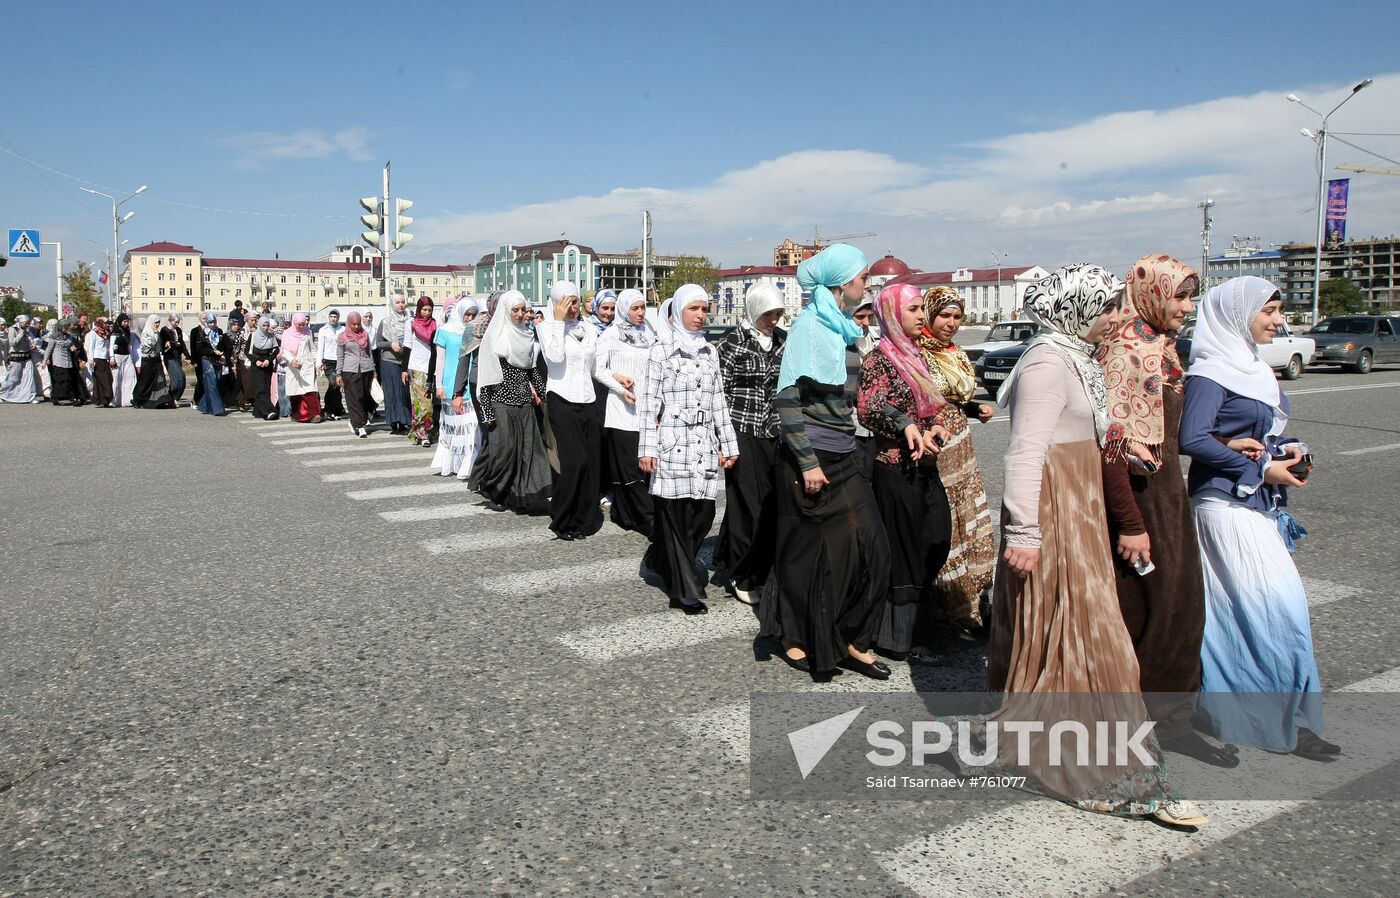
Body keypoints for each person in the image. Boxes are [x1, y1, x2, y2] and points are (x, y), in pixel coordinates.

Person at [986, 263, 1205, 828]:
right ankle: (1111, 769)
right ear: (1075, 308)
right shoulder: (1044, 362)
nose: (1115, 317)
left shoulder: (1074, 356)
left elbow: (1096, 441)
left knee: (1073, 635)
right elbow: (1024, 455)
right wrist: (1024, 534)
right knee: (1090, 636)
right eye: (1106, 308)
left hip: (1079, 511)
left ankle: (1050, 745)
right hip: (1055, 515)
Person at [1180, 276, 1339, 762]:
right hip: (1225, 507)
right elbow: (1193, 438)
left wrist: (1287, 451)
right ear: (1236, 313)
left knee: (1259, 615)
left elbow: (1249, 432)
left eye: (1279, 310)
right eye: (1268, 310)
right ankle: (1278, 719)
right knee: (1275, 612)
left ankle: (1285, 719)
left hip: (1255, 506)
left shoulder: (1252, 367)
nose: (1278, 320)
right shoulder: (1211, 371)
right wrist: (1260, 467)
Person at [1097, 255, 1237, 767]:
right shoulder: (1121, 352)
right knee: (1141, 608)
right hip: (1136, 499)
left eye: (1189, 295)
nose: (1187, 306)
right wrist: (1131, 522)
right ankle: (1134, 726)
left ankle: (1171, 719)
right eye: (1178, 295)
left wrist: (1226, 442)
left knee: (1180, 605)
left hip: (1167, 494)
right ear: (1151, 293)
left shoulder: (1162, 347)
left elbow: (1168, 433)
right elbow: (1111, 445)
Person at [761, 244, 892, 680]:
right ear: (840, 285)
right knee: (804, 554)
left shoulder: (843, 329)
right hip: (809, 459)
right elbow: (786, 398)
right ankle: (793, 636)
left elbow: (859, 399)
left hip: (844, 451)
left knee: (872, 548)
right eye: (862, 279)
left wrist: (904, 420)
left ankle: (853, 638)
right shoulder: (809, 329)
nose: (867, 286)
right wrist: (807, 462)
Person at [857, 283, 954, 662]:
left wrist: (936, 428)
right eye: (912, 309)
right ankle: (904, 638)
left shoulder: (917, 355)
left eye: (920, 309)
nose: (919, 315)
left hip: (924, 466)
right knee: (906, 551)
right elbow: (869, 406)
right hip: (894, 469)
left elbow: (934, 405)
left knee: (935, 538)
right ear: (894, 314)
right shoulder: (878, 359)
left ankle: (918, 629)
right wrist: (904, 425)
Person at [638, 285, 739, 614]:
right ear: (678, 311)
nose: (700, 315)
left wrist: (729, 444)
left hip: (703, 444)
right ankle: (683, 589)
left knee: (703, 513)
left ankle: (662, 559)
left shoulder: (710, 352)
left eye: (704, 308)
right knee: (674, 516)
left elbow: (719, 402)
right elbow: (650, 404)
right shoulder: (661, 350)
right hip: (672, 442)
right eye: (693, 308)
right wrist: (646, 448)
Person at [917, 287, 997, 637]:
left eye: (956, 316)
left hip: (961, 444)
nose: (950, 323)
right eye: (944, 316)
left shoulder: (955, 351)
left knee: (969, 522)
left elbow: (955, 395)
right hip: (935, 443)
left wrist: (972, 408)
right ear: (930, 315)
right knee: (946, 523)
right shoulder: (917, 352)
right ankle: (947, 609)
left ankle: (973, 604)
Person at [715, 284, 787, 605]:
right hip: (740, 428)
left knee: (771, 500)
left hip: (774, 430)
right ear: (754, 310)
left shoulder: (783, 341)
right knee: (750, 503)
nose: (773, 320)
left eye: (777, 314)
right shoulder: (731, 342)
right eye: (767, 314)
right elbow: (717, 390)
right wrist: (718, 437)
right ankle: (740, 573)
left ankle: (745, 560)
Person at [471, 291, 550, 514]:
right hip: (500, 402)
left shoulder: (526, 337)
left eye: (522, 310)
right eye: (515, 310)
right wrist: (486, 410)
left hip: (524, 402)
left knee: (527, 451)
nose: (519, 314)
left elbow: (533, 372)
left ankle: (520, 494)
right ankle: (494, 490)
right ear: (506, 311)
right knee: (503, 452)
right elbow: (487, 377)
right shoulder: (496, 337)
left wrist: (546, 397)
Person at [538, 280, 602, 540]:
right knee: (574, 462)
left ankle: (583, 519)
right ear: (556, 303)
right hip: (561, 400)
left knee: (591, 465)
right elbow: (554, 358)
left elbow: (595, 368)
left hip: (587, 400)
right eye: (567, 302)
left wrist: (620, 383)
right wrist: (557, 320)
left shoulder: (589, 329)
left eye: (575, 301)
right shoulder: (545, 328)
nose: (573, 307)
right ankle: (562, 518)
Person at [593, 288, 657, 535]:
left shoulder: (649, 333)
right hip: (622, 408)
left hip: (647, 408)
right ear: (624, 310)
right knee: (627, 466)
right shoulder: (611, 335)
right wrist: (619, 386)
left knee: (645, 466)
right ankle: (648, 518)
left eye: (643, 307)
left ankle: (624, 513)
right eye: (635, 308)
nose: (640, 313)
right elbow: (598, 369)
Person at [431, 299, 482, 476]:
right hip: (451, 382)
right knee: (453, 425)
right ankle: (453, 463)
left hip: (471, 382)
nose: (470, 318)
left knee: (470, 426)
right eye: (467, 314)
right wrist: (439, 385)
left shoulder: (476, 331)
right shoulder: (445, 331)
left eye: (473, 315)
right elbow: (440, 360)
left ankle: (469, 464)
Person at [403, 297, 438, 446]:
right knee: (420, 403)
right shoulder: (411, 323)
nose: (427, 313)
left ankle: (426, 431)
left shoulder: (435, 324)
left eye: (430, 310)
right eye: (424, 310)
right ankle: (422, 433)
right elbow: (407, 346)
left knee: (429, 403)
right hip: (416, 367)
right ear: (419, 309)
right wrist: (404, 370)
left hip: (431, 367)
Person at [376, 294, 412, 435]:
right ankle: (393, 421)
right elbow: (378, 343)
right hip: (389, 360)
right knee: (391, 391)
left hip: (405, 361)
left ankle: (404, 420)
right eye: (397, 302)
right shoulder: (385, 322)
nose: (401, 305)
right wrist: (391, 344)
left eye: (403, 302)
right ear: (392, 304)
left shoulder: (410, 321)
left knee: (403, 392)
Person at [336, 312, 375, 438]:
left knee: (364, 397)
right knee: (354, 398)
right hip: (350, 370)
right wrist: (338, 374)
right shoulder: (342, 336)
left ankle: (356, 421)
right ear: (348, 323)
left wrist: (373, 369)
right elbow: (340, 357)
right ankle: (359, 425)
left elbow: (369, 352)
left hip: (366, 369)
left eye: (358, 324)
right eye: (353, 324)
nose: (356, 327)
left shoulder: (365, 334)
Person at [279, 312, 322, 423]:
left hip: (307, 365)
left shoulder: (308, 331)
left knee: (310, 391)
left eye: (303, 324)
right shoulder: (287, 334)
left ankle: (313, 414)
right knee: (296, 391)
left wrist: (317, 363)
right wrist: (291, 360)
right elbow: (284, 350)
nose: (302, 327)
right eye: (299, 324)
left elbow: (312, 348)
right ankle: (297, 415)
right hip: (293, 365)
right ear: (294, 323)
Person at [188, 311, 227, 416]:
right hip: (206, 359)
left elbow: (224, 345)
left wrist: (223, 354)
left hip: (218, 360)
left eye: (214, 322)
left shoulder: (219, 331)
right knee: (212, 382)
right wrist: (212, 351)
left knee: (217, 381)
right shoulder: (202, 333)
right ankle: (217, 408)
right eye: (210, 322)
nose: (212, 324)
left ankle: (204, 405)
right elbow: (199, 348)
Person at [133, 314, 174, 409]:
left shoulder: (157, 333)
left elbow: (159, 347)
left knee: (159, 380)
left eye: (159, 322)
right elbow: (147, 347)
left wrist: (166, 344)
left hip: (156, 359)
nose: (157, 324)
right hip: (147, 360)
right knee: (145, 381)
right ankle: (138, 399)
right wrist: (155, 335)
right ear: (151, 322)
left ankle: (160, 400)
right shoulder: (146, 333)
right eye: (156, 322)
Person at [246, 316, 280, 420]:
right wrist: (256, 361)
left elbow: (275, 350)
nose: (265, 328)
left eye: (267, 325)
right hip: (256, 365)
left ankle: (258, 411)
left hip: (267, 365)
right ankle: (268, 411)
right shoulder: (253, 335)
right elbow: (247, 351)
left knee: (266, 388)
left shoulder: (271, 336)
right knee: (260, 388)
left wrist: (268, 360)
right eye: (263, 325)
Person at [315, 309, 346, 421]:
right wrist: (319, 362)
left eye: (335, 316)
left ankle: (336, 409)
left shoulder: (342, 329)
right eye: (331, 316)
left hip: (340, 360)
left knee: (337, 385)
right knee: (333, 382)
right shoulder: (323, 330)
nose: (333, 318)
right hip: (328, 361)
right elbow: (320, 347)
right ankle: (329, 409)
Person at [42, 319, 82, 406]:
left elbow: (71, 345)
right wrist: (45, 360)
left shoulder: (69, 337)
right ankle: (67, 398)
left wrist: (72, 348)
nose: (66, 329)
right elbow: (49, 350)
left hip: (68, 361)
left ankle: (61, 397)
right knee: (61, 380)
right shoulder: (53, 338)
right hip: (58, 361)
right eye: (65, 327)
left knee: (68, 379)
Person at [0, 315, 39, 404]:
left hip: (27, 355)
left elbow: (33, 339)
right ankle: (2, 393)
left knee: (28, 377)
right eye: (26, 323)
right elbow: (13, 342)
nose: (28, 325)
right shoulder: (12, 329)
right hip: (16, 355)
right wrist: (22, 333)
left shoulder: (28, 330)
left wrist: (34, 343)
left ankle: (30, 396)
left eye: (29, 323)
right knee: (13, 377)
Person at [160, 314, 190, 406]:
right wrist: (172, 343)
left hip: (177, 356)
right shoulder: (164, 330)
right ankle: (171, 397)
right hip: (170, 357)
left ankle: (174, 397)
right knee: (177, 378)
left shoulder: (178, 330)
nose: (176, 324)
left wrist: (188, 356)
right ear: (170, 320)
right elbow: (163, 344)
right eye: (175, 322)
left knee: (182, 379)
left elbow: (182, 344)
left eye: (178, 322)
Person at [85, 317, 115, 407]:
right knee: (102, 380)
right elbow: (91, 346)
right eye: (105, 323)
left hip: (105, 359)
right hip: (97, 359)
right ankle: (102, 399)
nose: (106, 325)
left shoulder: (106, 333)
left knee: (108, 378)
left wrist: (110, 357)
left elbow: (108, 346)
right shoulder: (94, 333)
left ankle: (105, 400)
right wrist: (90, 358)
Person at [111, 313, 138, 408]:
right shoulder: (116, 331)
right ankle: (114, 401)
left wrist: (131, 357)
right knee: (116, 379)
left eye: (127, 321)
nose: (126, 323)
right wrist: (111, 357)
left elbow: (129, 346)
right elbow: (111, 345)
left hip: (127, 356)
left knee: (129, 378)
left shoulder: (127, 332)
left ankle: (128, 400)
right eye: (124, 321)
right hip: (117, 356)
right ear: (120, 321)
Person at [221, 317, 247, 410]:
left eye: (237, 325)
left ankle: (235, 400)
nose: (236, 327)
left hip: (237, 361)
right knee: (226, 380)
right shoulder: (225, 336)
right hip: (226, 362)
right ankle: (225, 400)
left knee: (237, 381)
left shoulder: (240, 336)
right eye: (234, 325)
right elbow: (221, 348)